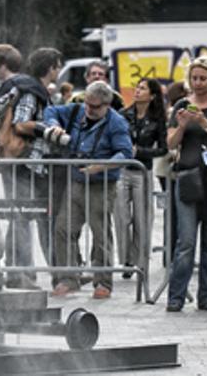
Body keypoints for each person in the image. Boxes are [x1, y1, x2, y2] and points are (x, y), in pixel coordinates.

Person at [43, 81, 133, 299]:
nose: (89, 110)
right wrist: (54, 124)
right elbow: (50, 110)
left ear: (106, 105)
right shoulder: (76, 110)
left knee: (100, 234)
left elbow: (125, 153)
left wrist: (101, 166)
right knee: (63, 229)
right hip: (75, 181)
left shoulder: (117, 123)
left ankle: (103, 282)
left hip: (101, 185)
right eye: (87, 105)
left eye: (95, 107)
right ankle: (67, 278)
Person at [165, 56, 207, 313]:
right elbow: (171, 144)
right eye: (194, 78)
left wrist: (205, 123)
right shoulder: (181, 105)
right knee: (185, 241)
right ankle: (176, 297)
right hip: (188, 175)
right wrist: (182, 126)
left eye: (203, 78)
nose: (198, 83)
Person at [0, 46, 62, 289]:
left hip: (18, 162)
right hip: (23, 162)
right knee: (21, 215)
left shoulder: (25, 87)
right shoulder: (32, 91)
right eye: (57, 65)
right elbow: (21, 124)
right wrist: (46, 129)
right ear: (51, 67)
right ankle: (20, 273)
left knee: (19, 215)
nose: (59, 70)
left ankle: (19, 271)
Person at [116, 77, 166, 280]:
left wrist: (140, 151)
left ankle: (141, 262)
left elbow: (163, 149)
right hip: (122, 170)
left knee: (142, 218)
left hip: (143, 170)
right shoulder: (123, 115)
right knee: (121, 216)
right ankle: (126, 259)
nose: (137, 91)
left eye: (143, 88)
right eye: (137, 87)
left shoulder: (157, 119)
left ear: (152, 95)